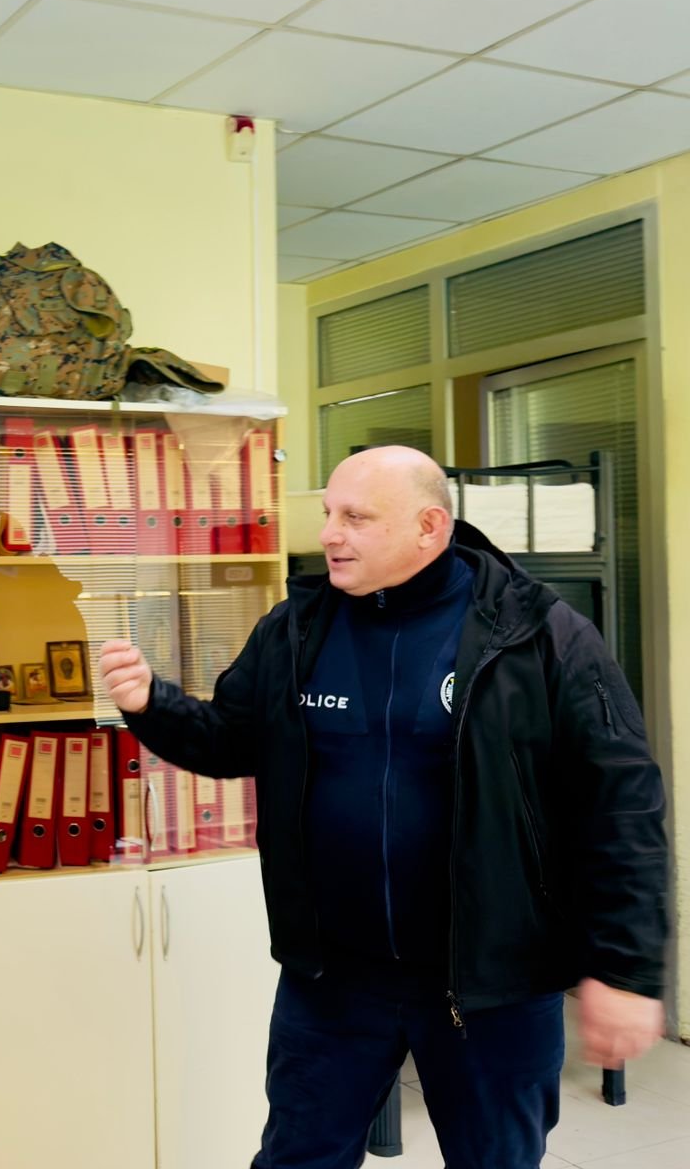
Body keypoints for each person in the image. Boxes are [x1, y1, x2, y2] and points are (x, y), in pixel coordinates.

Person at [99, 445, 668, 1169]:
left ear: (429, 526)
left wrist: (625, 970)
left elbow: (622, 806)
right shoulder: (297, 629)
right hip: (333, 979)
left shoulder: (539, 634)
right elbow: (231, 741)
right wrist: (151, 704)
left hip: (491, 982)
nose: (329, 534)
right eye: (328, 514)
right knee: (297, 1158)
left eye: (356, 517)